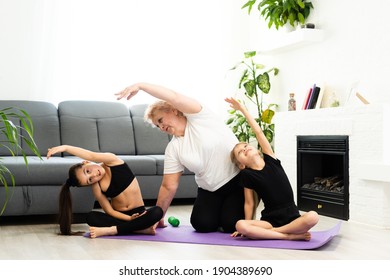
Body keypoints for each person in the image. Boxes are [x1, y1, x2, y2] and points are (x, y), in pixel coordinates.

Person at [115, 83, 244, 233]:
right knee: (201, 224)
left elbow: (174, 96)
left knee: (230, 225)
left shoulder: (200, 117)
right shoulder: (173, 148)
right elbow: (168, 185)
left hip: (235, 182)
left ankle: (227, 214)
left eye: (161, 120)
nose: (161, 127)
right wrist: (159, 216)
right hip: (209, 189)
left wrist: (141, 86)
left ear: (174, 110)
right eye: (158, 126)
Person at [225, 97, 319, 240]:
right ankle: (288, 237)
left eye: (245, 146)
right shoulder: (247, 175)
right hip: (269, 221)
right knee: (240, 225)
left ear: (257, 149)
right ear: (242, 165)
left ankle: (279, 232)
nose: (244, 149)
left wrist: (243, 109)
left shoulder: (271, 159)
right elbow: (249, 203)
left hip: (292, 217)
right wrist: (246, 227)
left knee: (313, 217)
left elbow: (259, 133)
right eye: (240, 153)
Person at [46, 145, 163, 238]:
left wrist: (65, 148)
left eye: (87, 171)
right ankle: (138, 228)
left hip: (139, 213)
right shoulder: (97, 186)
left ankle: (112, 230)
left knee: (157, 212)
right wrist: (129, 219)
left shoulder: (112, 161)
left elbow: (91, 155)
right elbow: (109, 211)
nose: (94, 175)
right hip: (121, 217)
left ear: (86, 162)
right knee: (91, 217)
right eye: (89, 180)